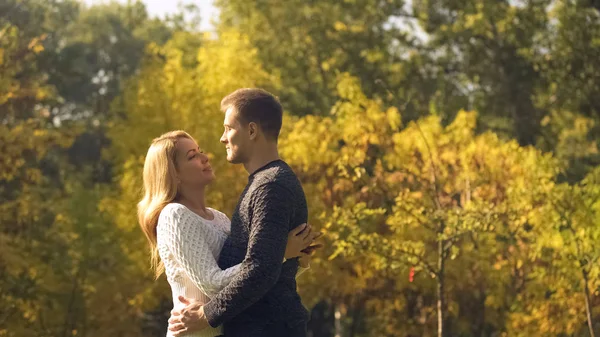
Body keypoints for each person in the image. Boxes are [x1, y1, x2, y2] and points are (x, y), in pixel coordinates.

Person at [168, 89, 320, 337]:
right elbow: (265, 263)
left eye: (228, 128)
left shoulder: (270, 186)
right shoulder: (262, 184)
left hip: (269, 328)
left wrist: (206, 315)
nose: (222, 138)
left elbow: (261, 268)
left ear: (251, 131)